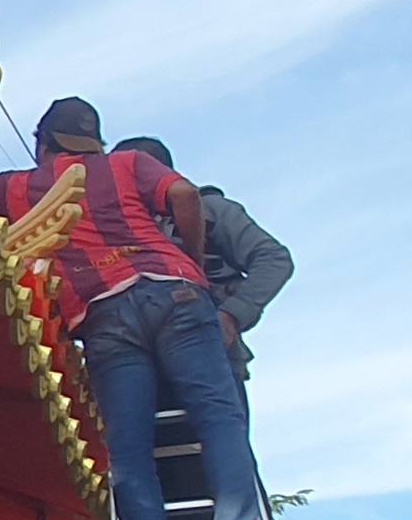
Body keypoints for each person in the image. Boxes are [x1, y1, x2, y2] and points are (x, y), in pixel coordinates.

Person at [0, 98, 268, 520]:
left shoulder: (19, 186)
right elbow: (184, 195)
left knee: (130, 451)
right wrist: (189, 257)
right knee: (219, 420)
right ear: (95, 140)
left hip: (103, 315)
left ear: (41, 142)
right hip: (177, 297)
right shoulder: (127, 165)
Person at [111, 136, 291, 377]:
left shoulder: (209, 210)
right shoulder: (110, 227)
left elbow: (273, 259)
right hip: (136, 358)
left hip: (210, 351)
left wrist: (231, 315)